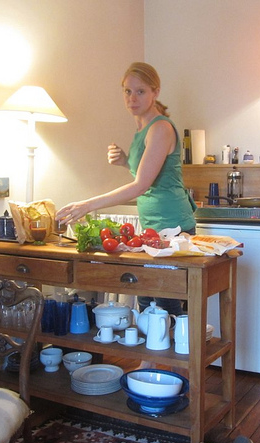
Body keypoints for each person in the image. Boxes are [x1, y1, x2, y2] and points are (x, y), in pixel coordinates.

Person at [56, 62, 196, 317]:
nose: (132, 98)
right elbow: (148, 175)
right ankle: (150, 346)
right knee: (146, 295)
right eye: (127, 91)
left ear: (155, 92)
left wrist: (87, 205)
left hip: (173, 223)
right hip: (153, 223)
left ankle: (174, 343)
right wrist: (125, 161)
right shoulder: (142, 129)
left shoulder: (161, 128)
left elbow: (141, 185)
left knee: (165, 302)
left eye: (140, 91)